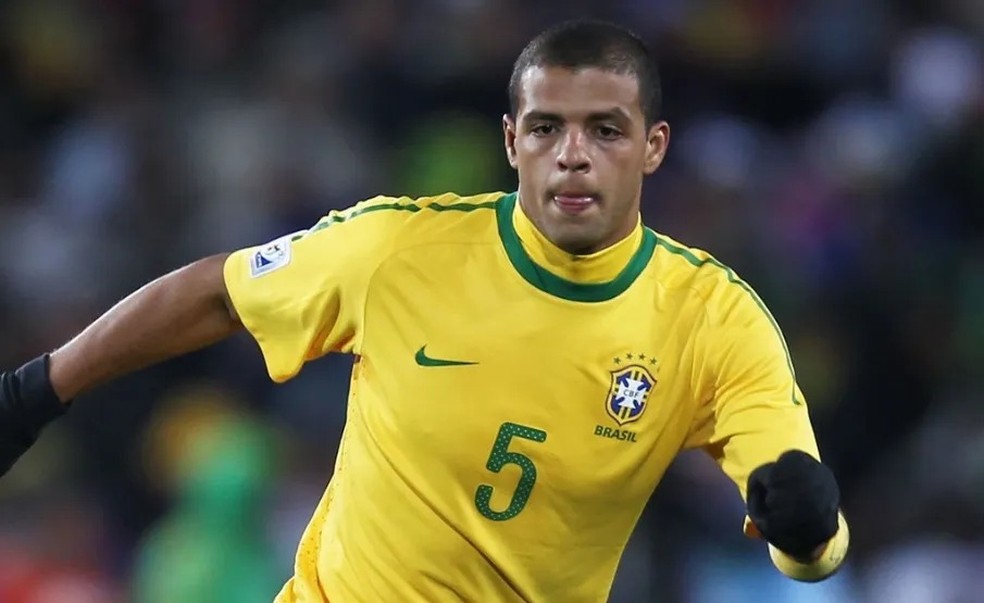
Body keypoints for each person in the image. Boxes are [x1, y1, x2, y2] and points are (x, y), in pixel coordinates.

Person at [0, 19, 849, 602]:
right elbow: (216, 291)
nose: (574, 156)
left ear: (653, 147)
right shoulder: (400, 250)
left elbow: (801, 516)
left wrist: (809, 536)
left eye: (607, 130)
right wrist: (36, 391)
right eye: (548, 128)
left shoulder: (713, 321)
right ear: (513, 140)